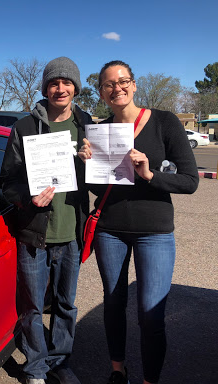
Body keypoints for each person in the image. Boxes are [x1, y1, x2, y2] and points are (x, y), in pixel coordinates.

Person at [78, 60, 199, 384]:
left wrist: (149, 174)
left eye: (123, 81)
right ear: (101, 92)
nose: (116, 88)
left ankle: (150, 380)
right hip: (110, 231)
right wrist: (85, 164)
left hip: (155, 232)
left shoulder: (164, 122)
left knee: (151, 314)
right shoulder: (101, 130)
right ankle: (118, 371)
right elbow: (97, 188)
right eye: (108, 84)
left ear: (134, 85)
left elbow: (190, 181)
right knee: (114, 305)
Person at [0, 57, 92, 384]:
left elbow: (98, 180)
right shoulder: (24, 127)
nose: (60, 88)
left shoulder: (88, 126)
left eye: (66, 83)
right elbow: (7, 182)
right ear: (45, 88)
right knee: (32, 308)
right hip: (34, 235)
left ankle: (59, 361)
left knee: (66, 305)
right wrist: (27, 198)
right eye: (54, 83)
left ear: (75, 88)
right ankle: (36, 367)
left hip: (71, 232)